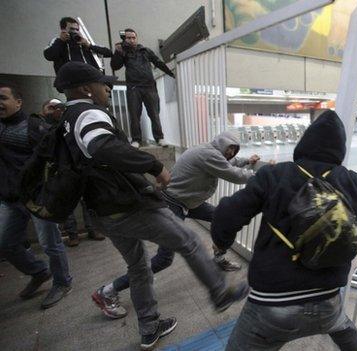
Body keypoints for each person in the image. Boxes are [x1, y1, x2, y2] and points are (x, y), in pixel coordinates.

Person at [53, 62, 247, 350]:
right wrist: (155, 165)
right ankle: (219, 293)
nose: (107, 88)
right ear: (85, 89)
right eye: (102, 84)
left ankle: (148, 325)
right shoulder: (89, 112)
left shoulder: (67, 119)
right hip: (129, 205)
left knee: (140, 265)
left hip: (104, 210)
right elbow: (102, 147)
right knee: (190, 242)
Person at [211, 110, 357, 350]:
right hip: (326, 301)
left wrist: (222, 243)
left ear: (304, 143)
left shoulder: (275, 175)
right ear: (339, 149)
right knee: (340, 325)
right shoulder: (352, 181)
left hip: (272, 306)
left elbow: (227, 214)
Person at [94, 131, 269, 319]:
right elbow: (233, 174)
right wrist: (265, 174)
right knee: (164, 259)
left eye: (234, 151)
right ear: (222, 143)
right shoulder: (208, 154)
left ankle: (218, 257)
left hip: (188, 203)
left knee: (222, 217)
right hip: (174, 203)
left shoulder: (211, 152)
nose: (231, 153)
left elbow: (229, 164)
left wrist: (247, 161)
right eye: (230, 148)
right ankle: (108, 291)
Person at [0, 83, 73, 309]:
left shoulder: (33, 127)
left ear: (18, 102)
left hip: (37, 197)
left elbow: (55, 159)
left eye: (2, 98)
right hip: (10, 198)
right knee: (5, 243)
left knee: (50, 243)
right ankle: (39, 272)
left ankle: (62, 282)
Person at [30, 99, 105, 246]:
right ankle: (72, 234)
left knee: (86, 201)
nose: (55, 110)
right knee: (66, 203)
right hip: (56, 171)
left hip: (77, 168)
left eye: (58, 107)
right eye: (51, 107)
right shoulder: (39, 124)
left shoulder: (67, 121)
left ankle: (93, 229)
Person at [110, 28, 174, 148]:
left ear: (136, 39)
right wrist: (117, 52)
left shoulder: (145, 51)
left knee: (154, 113)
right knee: (134, 115)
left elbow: (158, 62)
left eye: (133, 38)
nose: (131, 40)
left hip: (149, 86)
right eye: (128, 38)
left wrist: (171, 73)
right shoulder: (123, 52)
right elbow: (115, 66)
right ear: (124, 39)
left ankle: (159, 138)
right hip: (133, 87)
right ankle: (136, 140)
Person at [43, 17, 112, 74]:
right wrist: (61, 41)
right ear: (63, 30)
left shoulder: (84, 42)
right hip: (71, 80)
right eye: (72, 29)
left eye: (77, 29)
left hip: (90, 77)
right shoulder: (57, 41)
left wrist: (89, 46)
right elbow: (49, 56)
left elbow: (108, 53)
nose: (75, 32)